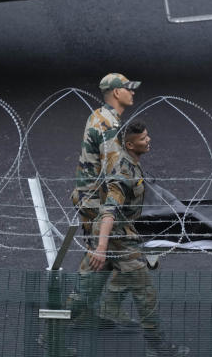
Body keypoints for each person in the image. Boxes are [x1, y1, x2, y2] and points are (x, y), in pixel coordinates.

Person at [87, 121, 189, 357]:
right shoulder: (124, 171)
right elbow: (109, 211)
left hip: (118, 234)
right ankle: (157, 346)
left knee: (88, 287)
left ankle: (98, 314)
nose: (149, 140)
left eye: (148, 136)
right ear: (131, 144)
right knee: (144, 291)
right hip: (115, 237)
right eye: (143, 138)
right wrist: (101, 248)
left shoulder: (130, 162)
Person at [67, 73, 140, 327]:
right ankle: (61, 323)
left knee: (104, 256)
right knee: (126, 258)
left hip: (89, 197)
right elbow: (113, 175)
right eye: (128, 89)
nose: (133, 92)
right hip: (98, 202)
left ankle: (84, 311)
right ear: (116, 93)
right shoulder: (109, 127)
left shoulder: (99, 115)